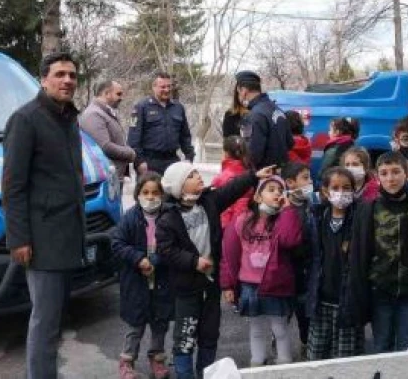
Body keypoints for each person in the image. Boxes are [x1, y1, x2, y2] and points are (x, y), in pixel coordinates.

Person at [3, 52, 88, 379]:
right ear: (43, 79)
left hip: (68, 234)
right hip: (42, 239)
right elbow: (12, 186)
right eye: (60, 74)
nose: (67, 80)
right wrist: (19, 238)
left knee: (55, 318)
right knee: (45, 320)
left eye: (72, 75)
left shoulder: (68, 118)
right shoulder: (26, 119)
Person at [156, 161, 274, 379]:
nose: (198, 176)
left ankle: (205, 373)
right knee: (185, 338)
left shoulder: (208, 202)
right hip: (186, 290)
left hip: (210, 286)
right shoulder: (168, 218)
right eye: (191, 175)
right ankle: (185, 375)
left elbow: (231, 189)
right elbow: (167, 251)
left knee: (210, 335)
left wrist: (253, 175)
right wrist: (193, 261)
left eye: (196, 172)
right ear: (180, 187)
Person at [348, 151, 408, 352]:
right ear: (377, 177)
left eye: (396, 172)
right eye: (384, 173)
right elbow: (359, 255)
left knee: (407, 344)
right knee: (381, 344)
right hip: (380, 291)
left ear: (407, 174)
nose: (390, 178)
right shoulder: (368, 209)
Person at [220, 175, 305, 367]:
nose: (277, 193)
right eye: (271, 189)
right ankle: (257, 361)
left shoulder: (284, 219)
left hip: (276, 282)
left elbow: (290, 240)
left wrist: (288, 210)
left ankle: (284, 360)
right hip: (250, 284)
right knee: (256, 326)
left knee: (280, 327)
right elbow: (229, 254)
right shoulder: (242, 220)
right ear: (258, 197)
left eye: (280, 190)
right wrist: (227, 284)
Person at [111, 172, 173, 379]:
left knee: (159, 323)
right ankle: (127, 361)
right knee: (135, 325)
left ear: (162, 195)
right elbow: (117, 244)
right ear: (138, 194)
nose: (150, 197)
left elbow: (174, 246)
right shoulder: (130, 217)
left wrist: (154, 261)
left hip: (162, 281)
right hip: (136, 283)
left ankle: (157, 359)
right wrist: (138, 259)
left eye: (155, 192)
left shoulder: (169, 216)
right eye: (145, 192)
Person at [306, 167, 364, 360]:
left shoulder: (360, 218)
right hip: (321, 300)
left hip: (347, 301)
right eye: (335, 187)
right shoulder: (317, 217)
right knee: (317, 358)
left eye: (346, 188)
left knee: (346, 360)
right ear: (325, 191)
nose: (341, 193)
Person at [129, 72, 195, 176]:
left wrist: (189, 156)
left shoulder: (178, 108)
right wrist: (139, 162)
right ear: (154, 87)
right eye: (163, 87)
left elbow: (185, 136)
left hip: (172, 161)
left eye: (169, 86)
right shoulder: (141, 107)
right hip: (149, 162)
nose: (167, 90)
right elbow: (133, 139)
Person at [281, 161, 315, 358]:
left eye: (310, 178)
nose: (310, 182)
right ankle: (280, 347)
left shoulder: (312, 205)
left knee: (305, 313)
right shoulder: (282, 207)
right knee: (283, 315)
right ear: (290, 183)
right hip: (286, 271)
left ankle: (305, 343)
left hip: (306, 271)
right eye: (305, 178)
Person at [80, 80, 135, 196]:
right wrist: (130, 153)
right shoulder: (94, 114)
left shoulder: (106, 113)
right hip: (105, 180)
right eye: (118, 94)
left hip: (114, 177)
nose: (121, 98)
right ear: (106, 93)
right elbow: (105, 147)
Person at [235, 71, 293, 170]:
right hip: (282, 173)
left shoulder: (254, 115)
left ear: (244, 90)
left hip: (265, 176)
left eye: (238, 92)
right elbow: (290, 143)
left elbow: (253, 154)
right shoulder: (277, 110)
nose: (238, 95)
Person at [212, 136, 253, 229]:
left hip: (227, 224)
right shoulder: (250, 174)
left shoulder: (221, 178)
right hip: (247, 221)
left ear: (226, 153)